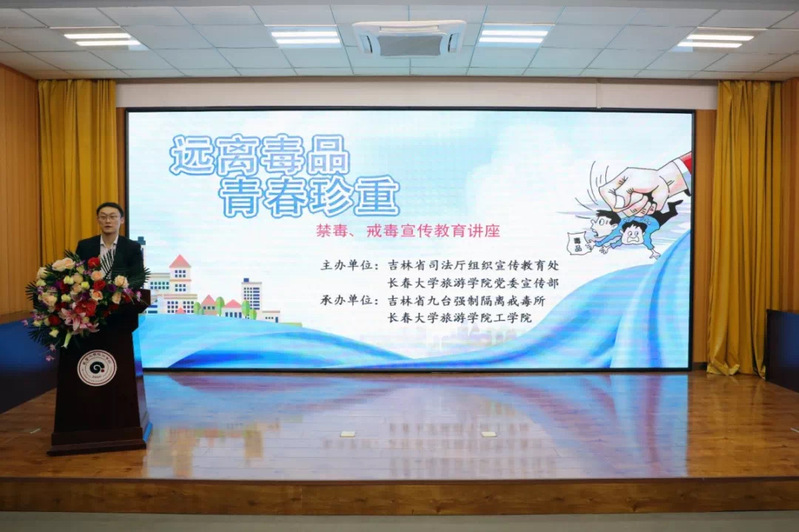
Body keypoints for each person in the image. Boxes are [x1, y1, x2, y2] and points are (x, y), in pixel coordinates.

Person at [75, 202, 145, 287]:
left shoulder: (132, 248)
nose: (108, 221)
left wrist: (120, 290)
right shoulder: (85, 246)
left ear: (122, 220)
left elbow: (138, 278)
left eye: (113, 217)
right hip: (90, 293)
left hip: (121, 294)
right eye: (103, 217)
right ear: (97, 220)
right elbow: (76, 273)